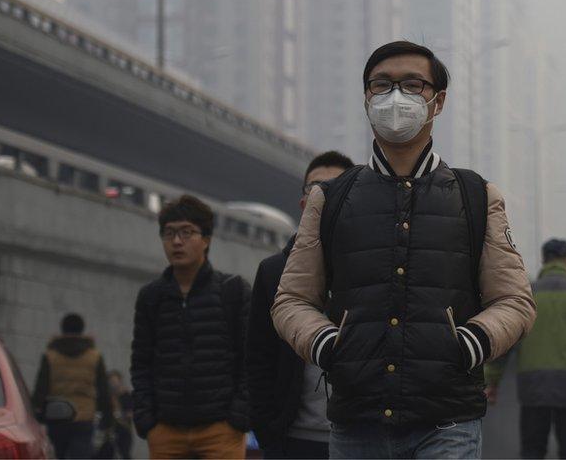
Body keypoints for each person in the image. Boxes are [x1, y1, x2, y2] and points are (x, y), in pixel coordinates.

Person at [272, 41, 536, 459]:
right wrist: (326, 344)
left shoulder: (476, 196)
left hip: (447, 421)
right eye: (382, 85)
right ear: (366, 98)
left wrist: (469, 343)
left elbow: (515, 301)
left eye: (413, 85)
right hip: (356, 420)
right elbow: (291, 299)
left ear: (438, 101)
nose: (396, 97)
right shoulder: (331, 198)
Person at [248, 150, 354, 459]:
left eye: (337, 188)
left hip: (361, 437)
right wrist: (266, 430)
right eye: (316, 189)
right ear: (303, 203)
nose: (325, 197)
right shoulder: (273, 273)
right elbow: (258, 357)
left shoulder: (376, 268)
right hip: (292, 439)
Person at [131, 194, 251, 459]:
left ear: (206, 240)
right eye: (169, 233)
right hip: (165, 432)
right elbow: (141, 362)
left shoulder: (233, 291)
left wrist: (237, 418)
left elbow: (249, 360)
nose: (176, 241)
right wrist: (147, 421)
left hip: (220, 431)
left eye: (187, 233)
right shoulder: (151, 297)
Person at [485, 239, 566, 459]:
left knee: (532, 450)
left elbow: (504, 342)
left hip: (534, 389)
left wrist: (492, 381)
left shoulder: (525, 296)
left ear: (545, 261)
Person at [32, 313, 114, 459]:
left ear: (62, 329)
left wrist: (35, 415)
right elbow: (103, 390)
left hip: (56, 417)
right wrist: (107, 418)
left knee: (58, 454)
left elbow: (40, 389)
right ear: (82, 330)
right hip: (84, 417)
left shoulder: (50, 356)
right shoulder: (94, 357)